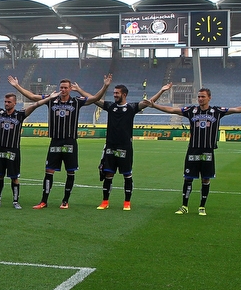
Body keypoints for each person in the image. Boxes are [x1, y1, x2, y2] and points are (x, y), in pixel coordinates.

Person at [150, 89, 241, 216]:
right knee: (188, 178)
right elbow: (172, 110)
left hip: (208, 151)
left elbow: (237, 109)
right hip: (193, 150)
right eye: (199, 96)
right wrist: (154, 105)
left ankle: (202, 207)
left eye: (203, 97)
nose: (200, 99)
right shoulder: (191, 111)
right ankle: (184, 206)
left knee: (205, 179)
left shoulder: (216, 111)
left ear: (209, 98)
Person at [10, 74, 111, 209]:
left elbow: (95, 98)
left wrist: (105, 86)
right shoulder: (52, 100)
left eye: (65, 88)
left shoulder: (76, 101)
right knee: (48, 171)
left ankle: (65, 201)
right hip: (55, 141)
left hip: (70, 142)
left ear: (70, 89)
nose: (63, 90)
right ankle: (44, 201)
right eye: (61, 87)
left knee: (70, 171)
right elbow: (33, 97)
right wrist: (17, 86)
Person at [72, 81, 171, 211]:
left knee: (127, 175)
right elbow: (94, 99)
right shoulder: (110, 106)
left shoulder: (131, 108)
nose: (114, 95)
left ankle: (127, 203)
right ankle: (105, 201)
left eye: (117, 93)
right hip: (110, 146)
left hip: (125, 147)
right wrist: (79, 90)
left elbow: (149, 102)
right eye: (114, 93)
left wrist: (162, 90)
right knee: (108, 175)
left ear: (124, 94)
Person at [0, 82, 51, 209]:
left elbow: (35, 104)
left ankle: (15, 201)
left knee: (14, 177)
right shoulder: (0, 113)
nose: (6, 104)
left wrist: (50, 98)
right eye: (5, 102)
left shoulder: (20, 115)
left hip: (13, 151)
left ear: (14, 103)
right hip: (0, 150)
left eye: (9, 102)